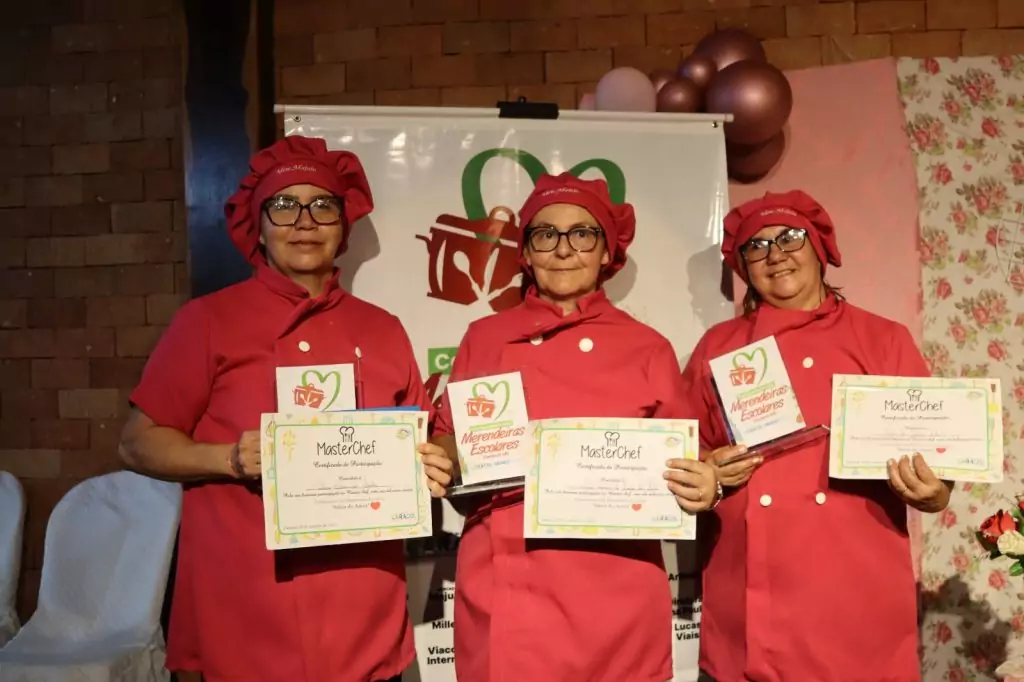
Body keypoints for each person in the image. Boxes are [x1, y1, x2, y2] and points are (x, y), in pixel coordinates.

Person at [118, 135, 453, 682]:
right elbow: (137, 440)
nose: (304, 221)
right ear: (260, 224)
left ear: (344, 223)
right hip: (244, 615)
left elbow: (421, 441)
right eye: (284, 204)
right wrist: (229, 458)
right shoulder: (208, 322)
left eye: (323, 204)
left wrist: (433, 462)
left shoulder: (383, 329)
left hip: (365, 617)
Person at [431, 173, 721, 682]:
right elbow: (450, 439)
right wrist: (443, 457)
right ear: (525, 251)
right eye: (545, 234)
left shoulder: (646, 347)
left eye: (582, 234)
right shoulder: (484, 338)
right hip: (507, 581)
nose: (563, 250)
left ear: (608, 250)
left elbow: (686, 463)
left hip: (618, 593)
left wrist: (704, 486)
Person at [683, 190, 952, 682]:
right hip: (745, 604)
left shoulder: (883, 340)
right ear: (744, 267)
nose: (776, 254)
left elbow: (937, 458)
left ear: (820, 248)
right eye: (756, 247)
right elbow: (686, 457)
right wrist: (708, 472)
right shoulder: (716, 349)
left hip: (855, 604)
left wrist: (934, 494)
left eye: (789, 237)